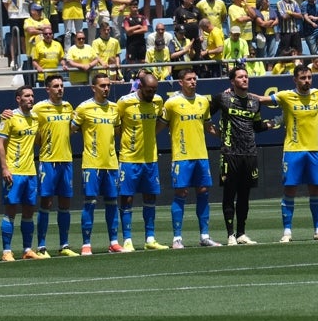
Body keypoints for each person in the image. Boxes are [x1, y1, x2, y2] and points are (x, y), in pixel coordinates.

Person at [211, 64, 275, 245]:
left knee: (245, 195)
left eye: (246, 76)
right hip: (230, 153)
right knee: (229, 194)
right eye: (240, 77)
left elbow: (256, 126)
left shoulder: (255, 102)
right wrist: (216, 132)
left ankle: (241, 233)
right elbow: (205, 116)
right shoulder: (222, 98)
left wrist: (271, 124)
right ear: (232, 81)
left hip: (250, 153)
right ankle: (230, 234)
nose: (244, 79)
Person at [267, 64, 318, 242]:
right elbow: (262, 100)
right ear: (295, 79)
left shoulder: (317, 94)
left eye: (309, 77)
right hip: (293, 150)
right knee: (290, 189)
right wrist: (236, 93)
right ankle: (287, 232)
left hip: (313, 150)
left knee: (316, 188)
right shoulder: (286, 96)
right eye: (303, 78)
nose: (307, 81)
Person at [162, 67, 219, 248]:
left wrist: (226, 135)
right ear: (181, 82)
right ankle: (177, 238)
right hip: (182, 156)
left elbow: (209, 126)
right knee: (182, 193)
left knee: (203, 192)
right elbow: (160, 126)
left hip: (201, 155)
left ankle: (204, 236)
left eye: (195, 79)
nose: (193, 82)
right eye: (189, 79)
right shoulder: (171, 103)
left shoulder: (203, 101)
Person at [116, 70, 167, 252]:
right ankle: (128, 239)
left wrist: (152, 136)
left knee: (150, 196)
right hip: (129, 158)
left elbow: (162, 121)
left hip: (150, 158)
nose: (151, 94)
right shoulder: (125, 102)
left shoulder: (158, 101)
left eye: (154, 90)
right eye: (148, 90)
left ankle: (150, 238)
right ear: (141, 86)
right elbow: (116, 126)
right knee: (127, 197)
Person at [72, 73, 122, 255]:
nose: (106, 88)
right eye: (102, 85)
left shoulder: (114, 108)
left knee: (112, 202)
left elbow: (117, 131)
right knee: (90, 203)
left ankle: (114, 242)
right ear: (93, 88)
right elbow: (72, 128)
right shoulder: (84, 108)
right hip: (91, 162)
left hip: (111, 162)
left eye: (108, 85)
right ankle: (86, 243)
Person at [0, 85, 43, 261]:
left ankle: (27, 250)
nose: (31, 99)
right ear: (18, 99)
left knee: (29, 211)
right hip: (14, 172)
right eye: (27, 96)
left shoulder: (36, 118)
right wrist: (4, 168)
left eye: (32, 96)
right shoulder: (9, 117)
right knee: (10, 210)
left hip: (30, 171)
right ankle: (6, 251)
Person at [33, 74, 77, 256]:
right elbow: (31, 130)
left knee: (65, 202)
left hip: (66, 160)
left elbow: (71, 129)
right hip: (48, 161)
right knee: (47, 201)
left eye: (61, 85)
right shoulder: (39, 108)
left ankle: (64, 245)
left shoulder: (68, 107)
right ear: (48, 89)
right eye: (56, 86)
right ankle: (42, 246)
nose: (60, 89)